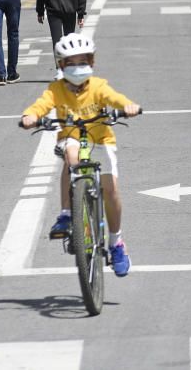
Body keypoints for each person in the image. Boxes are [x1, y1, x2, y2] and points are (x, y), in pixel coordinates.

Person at [20, 34, 141, 277]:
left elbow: (114, 98)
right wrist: (30, 117)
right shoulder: (55, 89)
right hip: (72, 135)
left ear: (92, 62)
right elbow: (40, 105)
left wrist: (128, 106)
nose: (77, 67)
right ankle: (67, 214)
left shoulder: (98, 86)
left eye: (82, 61)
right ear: (61, 65)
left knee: (111, 189)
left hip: (101, 139)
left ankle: (116, 243)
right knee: (71, 156)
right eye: (71, 62)